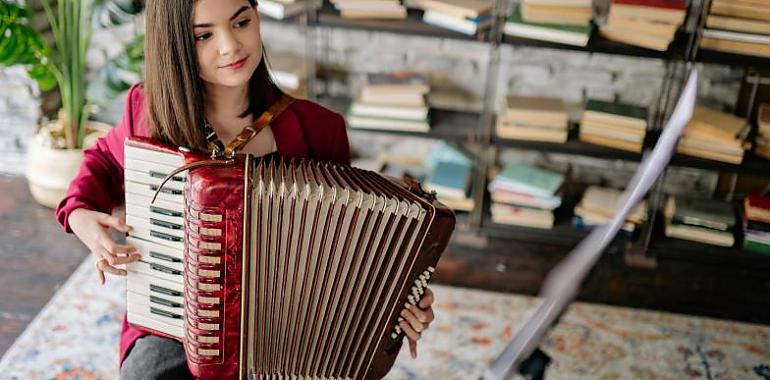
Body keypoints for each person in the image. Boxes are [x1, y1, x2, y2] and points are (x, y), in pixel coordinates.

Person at [54, 0, 436, 378]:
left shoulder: (321, 130)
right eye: (204, 35)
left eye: (241, 22)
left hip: (287, 332)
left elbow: (347, 249)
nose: (231, 46)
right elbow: (103, 160)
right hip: (174, 317)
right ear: (175, 43)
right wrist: (80, 214)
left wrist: (399, 300)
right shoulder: (149, 110)